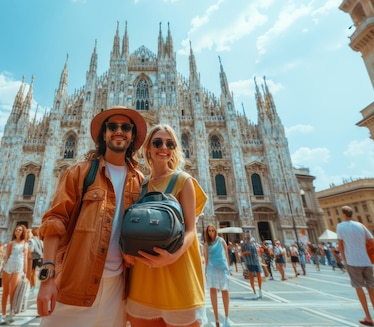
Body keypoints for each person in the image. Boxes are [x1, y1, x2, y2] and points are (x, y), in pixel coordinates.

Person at [37, 105, 148, 327]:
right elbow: (54, 222)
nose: (119, 131)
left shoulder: (140, 180)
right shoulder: (80, 172)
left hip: (118, 291)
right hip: (74, 285)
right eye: (112, 127)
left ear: (133, 136)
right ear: (103, 134)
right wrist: (47, 279)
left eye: (125, 127)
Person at [126, 123, 208, 327]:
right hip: (144, 276)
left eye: (170, 143)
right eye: (158, 142)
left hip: (178, 271)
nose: (164, 147)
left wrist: (172, 256)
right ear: (148, 149)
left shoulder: (184, 180)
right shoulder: (141, 184)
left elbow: (191, 230)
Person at [336, 206, 374, 327]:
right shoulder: (361, 225)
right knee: (371, 289)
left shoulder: (340, 226)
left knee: (359, 288)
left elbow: (340, 246)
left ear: (343, 215)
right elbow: (372, 241)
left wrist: (344, 260)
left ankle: (368, 317)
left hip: (352, 261)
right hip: (366, 260)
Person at [0, 224, 29, 324]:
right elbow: (7, 257)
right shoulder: (11, 243)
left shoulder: (26, 244)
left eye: (19, 230)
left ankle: (11, 312)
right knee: (5, 292)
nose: (17, 231)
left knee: (13, 291)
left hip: (18, 268)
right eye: (16, 230)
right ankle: (3, 314)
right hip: (8, 267)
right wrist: (2, 268)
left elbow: (25, 259)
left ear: (23, 232)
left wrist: (25, 272)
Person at [204, 225, 230, 327]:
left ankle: (226, 318)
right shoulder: (206, 244)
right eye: (209, 231)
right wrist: (205, 272)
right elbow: (206, 258)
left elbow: (226, 255)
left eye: (212, 230)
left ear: (216, 231)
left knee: (225, 290)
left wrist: (228, 268)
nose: (211, 233)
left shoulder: (221, 241)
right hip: (211, 268)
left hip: (222, 267)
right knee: (213, 291)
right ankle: (217, 320)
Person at [241, 232, 263, 299]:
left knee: (259, 275)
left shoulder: (254, 242)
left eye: (249, 234)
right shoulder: (244, 244)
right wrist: (247, 252)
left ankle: (260, 290)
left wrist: (260, 252)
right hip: (249, 261)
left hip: (256, 261)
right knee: (251, 276)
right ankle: (254, 291)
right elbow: (242, 254)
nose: (248, 235)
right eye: (246, 234)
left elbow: (259, 250)